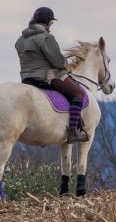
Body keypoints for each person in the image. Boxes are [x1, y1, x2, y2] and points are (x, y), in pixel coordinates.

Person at [15, 7, 89, 143]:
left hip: (26, 79)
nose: (51, 26)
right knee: (79, 93)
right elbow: (58, 62)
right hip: (46, 77)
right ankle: (73, 131)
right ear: (48, 22)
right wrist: (67, 63)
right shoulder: (46, 38)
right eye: (51, 23)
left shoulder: (20, 40)